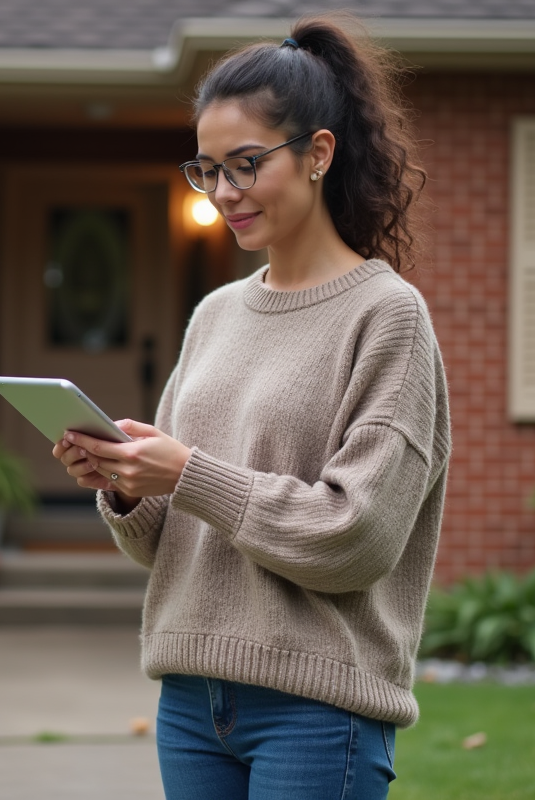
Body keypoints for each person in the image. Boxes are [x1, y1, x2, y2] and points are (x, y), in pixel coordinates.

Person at [52, 13, 450, 800]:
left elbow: (358, 536)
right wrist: (128, 484)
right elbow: (171, 544)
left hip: (318, 707)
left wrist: (190, 472)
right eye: (207, 170)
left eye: (244, 165)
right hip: (192, 700)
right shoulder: (215, 315)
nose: (224, 193)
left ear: (318, 154)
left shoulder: (388, 316)